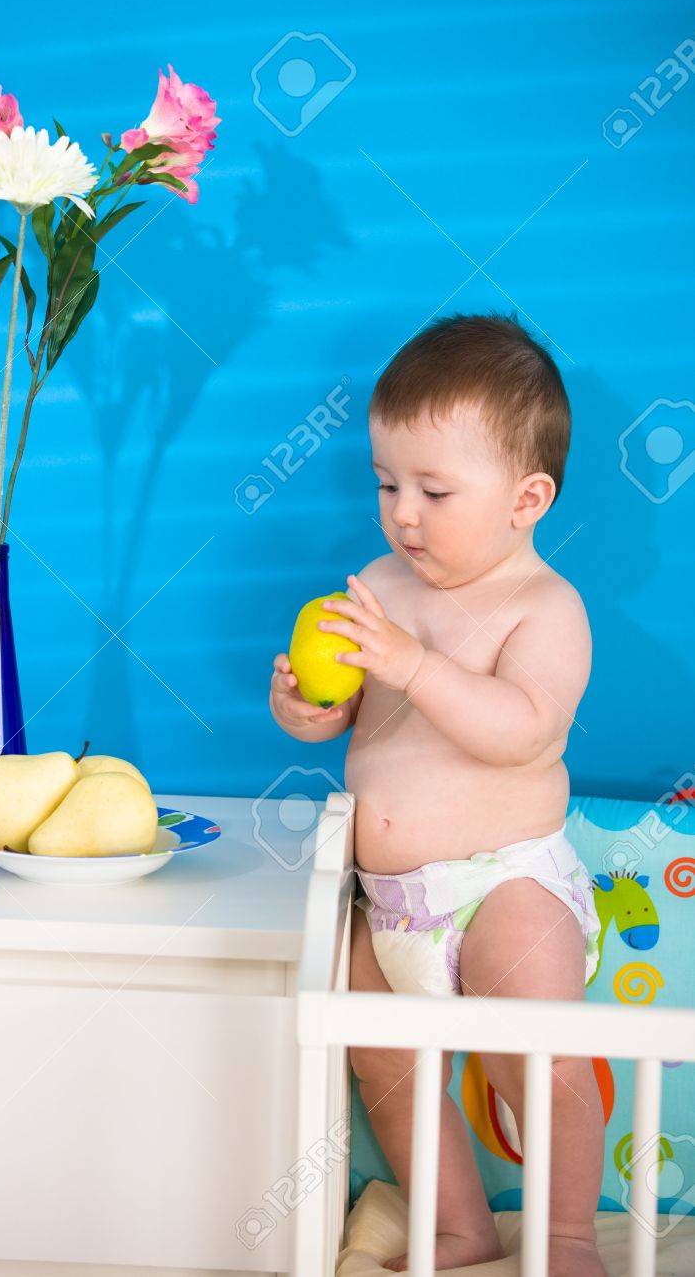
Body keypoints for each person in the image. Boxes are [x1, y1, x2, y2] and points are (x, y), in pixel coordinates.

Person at [269, 312, 603, 1275]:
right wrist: (305, 705)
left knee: (536, 1061)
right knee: (385, 1063)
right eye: (387, 484)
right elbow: (346, 719)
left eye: (434, 490)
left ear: (527, 498)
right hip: (390, 905)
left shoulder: (544, 608)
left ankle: (569, 1233)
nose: (402, 514)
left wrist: (413, 666)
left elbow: (524, 732)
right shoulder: (380, 585)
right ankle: (459, 1223)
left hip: (506, 892)